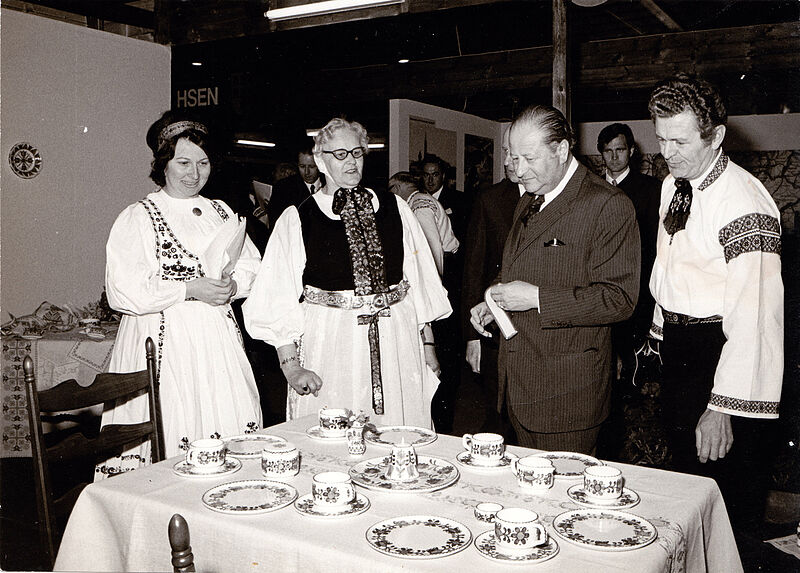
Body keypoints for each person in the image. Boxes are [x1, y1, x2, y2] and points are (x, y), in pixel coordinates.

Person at [243, 118, 450, 428]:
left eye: (357, 152)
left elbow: (417, 284)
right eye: (340, 154)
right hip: (332, 344)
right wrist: (292, 368)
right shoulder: (298, 219)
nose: (351, 161)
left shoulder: (397, 208)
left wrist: (428, 347)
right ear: (319, 159)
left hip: (397, 341)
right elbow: (275, 297)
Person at [647, 76, 783, 530]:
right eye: (661, 138)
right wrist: (656, 338)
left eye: (680, 141)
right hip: (681, 352)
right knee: (688, 492)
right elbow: (670, 268)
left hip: (722, 357)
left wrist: (721, 406)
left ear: (716, 136)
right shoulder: (674, 184)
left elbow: (756, 317)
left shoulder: (745, 202)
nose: (667, 152)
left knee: (726, 504)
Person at [96, 111, 263, 478]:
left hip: (216, 341)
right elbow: (123, 291)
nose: (194, 173)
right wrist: (189, 289)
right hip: (162, 341)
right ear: (164, 164)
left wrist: (234, 285)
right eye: (183, 162)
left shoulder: (220, 211)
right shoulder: (139, 216)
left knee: (221, 429)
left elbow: (253, 264)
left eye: (202, 163)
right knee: (169, 428)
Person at [470, 104, 640, 454]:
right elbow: (524, 271)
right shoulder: (530, 199)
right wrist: (495, 302)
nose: (518, 171)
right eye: (513, 158)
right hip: (518, 387)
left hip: (566, 397)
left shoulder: (607, 204)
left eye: (529, 159)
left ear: (561, 150)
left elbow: (619, 299)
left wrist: (536, 299)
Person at [461, 125, 525, 435]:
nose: (509, 161)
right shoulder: (490, 199)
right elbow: (474, 270)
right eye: (505, 152)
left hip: (539, 330)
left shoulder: (553, 199)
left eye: (517, 154)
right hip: (493, 329)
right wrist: (472, 337)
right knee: (497, 416)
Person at [597, 123, 662, 383]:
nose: (614, 157)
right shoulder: (589, 189)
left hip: (638, 291)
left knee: (634, 370)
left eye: (620, 149)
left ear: (632, 151)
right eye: (608, 151)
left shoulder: (651, 190)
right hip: (598, 291)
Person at [388, 171, 459, 276]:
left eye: (390, 189)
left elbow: (432, 244)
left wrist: (434, 280)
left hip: (442, 266)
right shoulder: (421, 200)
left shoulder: (419, 206)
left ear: (397, 188)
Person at [266, 148, 324, 229]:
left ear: (320, 165)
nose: (307, 172)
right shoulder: (283, 187)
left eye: (312, 166)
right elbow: (275, 223)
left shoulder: (330, 184)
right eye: (302, 166)